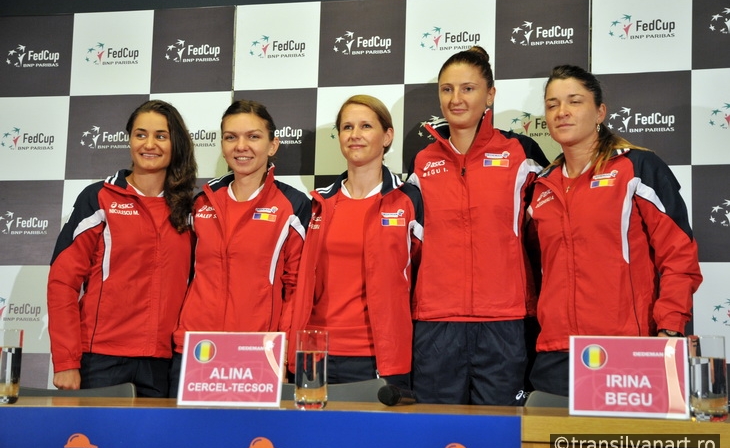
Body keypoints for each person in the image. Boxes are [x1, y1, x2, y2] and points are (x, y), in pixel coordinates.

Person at [527, 65, 703, 396]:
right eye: (552, 105)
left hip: (627, 350)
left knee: (622, 446)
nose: (562, 112)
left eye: (574, 101)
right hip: (555, 353)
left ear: (600, 112)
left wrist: (670, 328)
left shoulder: (637, 168)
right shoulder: (541, 187)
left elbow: (679, 254)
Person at [406, 46, 549, 405]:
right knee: (434, 439)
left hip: (505, 319)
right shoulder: (422, 161)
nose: (456, 99)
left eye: (468, 88)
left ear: (490, 94)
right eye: (447, 89)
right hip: (436, 320)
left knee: (502, 437)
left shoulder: (521, 152)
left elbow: (547, 234)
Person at [47, 100, 198, 397]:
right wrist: (66, 360)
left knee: (155, 444)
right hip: (102, 360)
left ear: (176, 143)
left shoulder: (190, 209)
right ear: (129, 140)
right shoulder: (99, 198)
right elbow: (62, 282)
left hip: (164, 364)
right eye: (140, 135)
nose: (149, 144)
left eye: (161, 136)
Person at [169, 99, 310, 396]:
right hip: (196, 349)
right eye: (231, 137)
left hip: (255, 352)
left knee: (246, 440)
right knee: (188, 441)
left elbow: (296, 289)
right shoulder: (202, 202)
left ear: (273, 145)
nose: (241, 146)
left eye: (253, 136)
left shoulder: (293, 206)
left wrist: (282, 353)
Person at [289, 95, 423, 389]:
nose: (355, 135)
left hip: (377, 354)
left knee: (375, 436)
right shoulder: (317, 203)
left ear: (387, 136)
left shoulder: (409, 200)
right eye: (347, 127)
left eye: (366, 126)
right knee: (310, 436)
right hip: (314, 350)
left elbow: (425, 278)